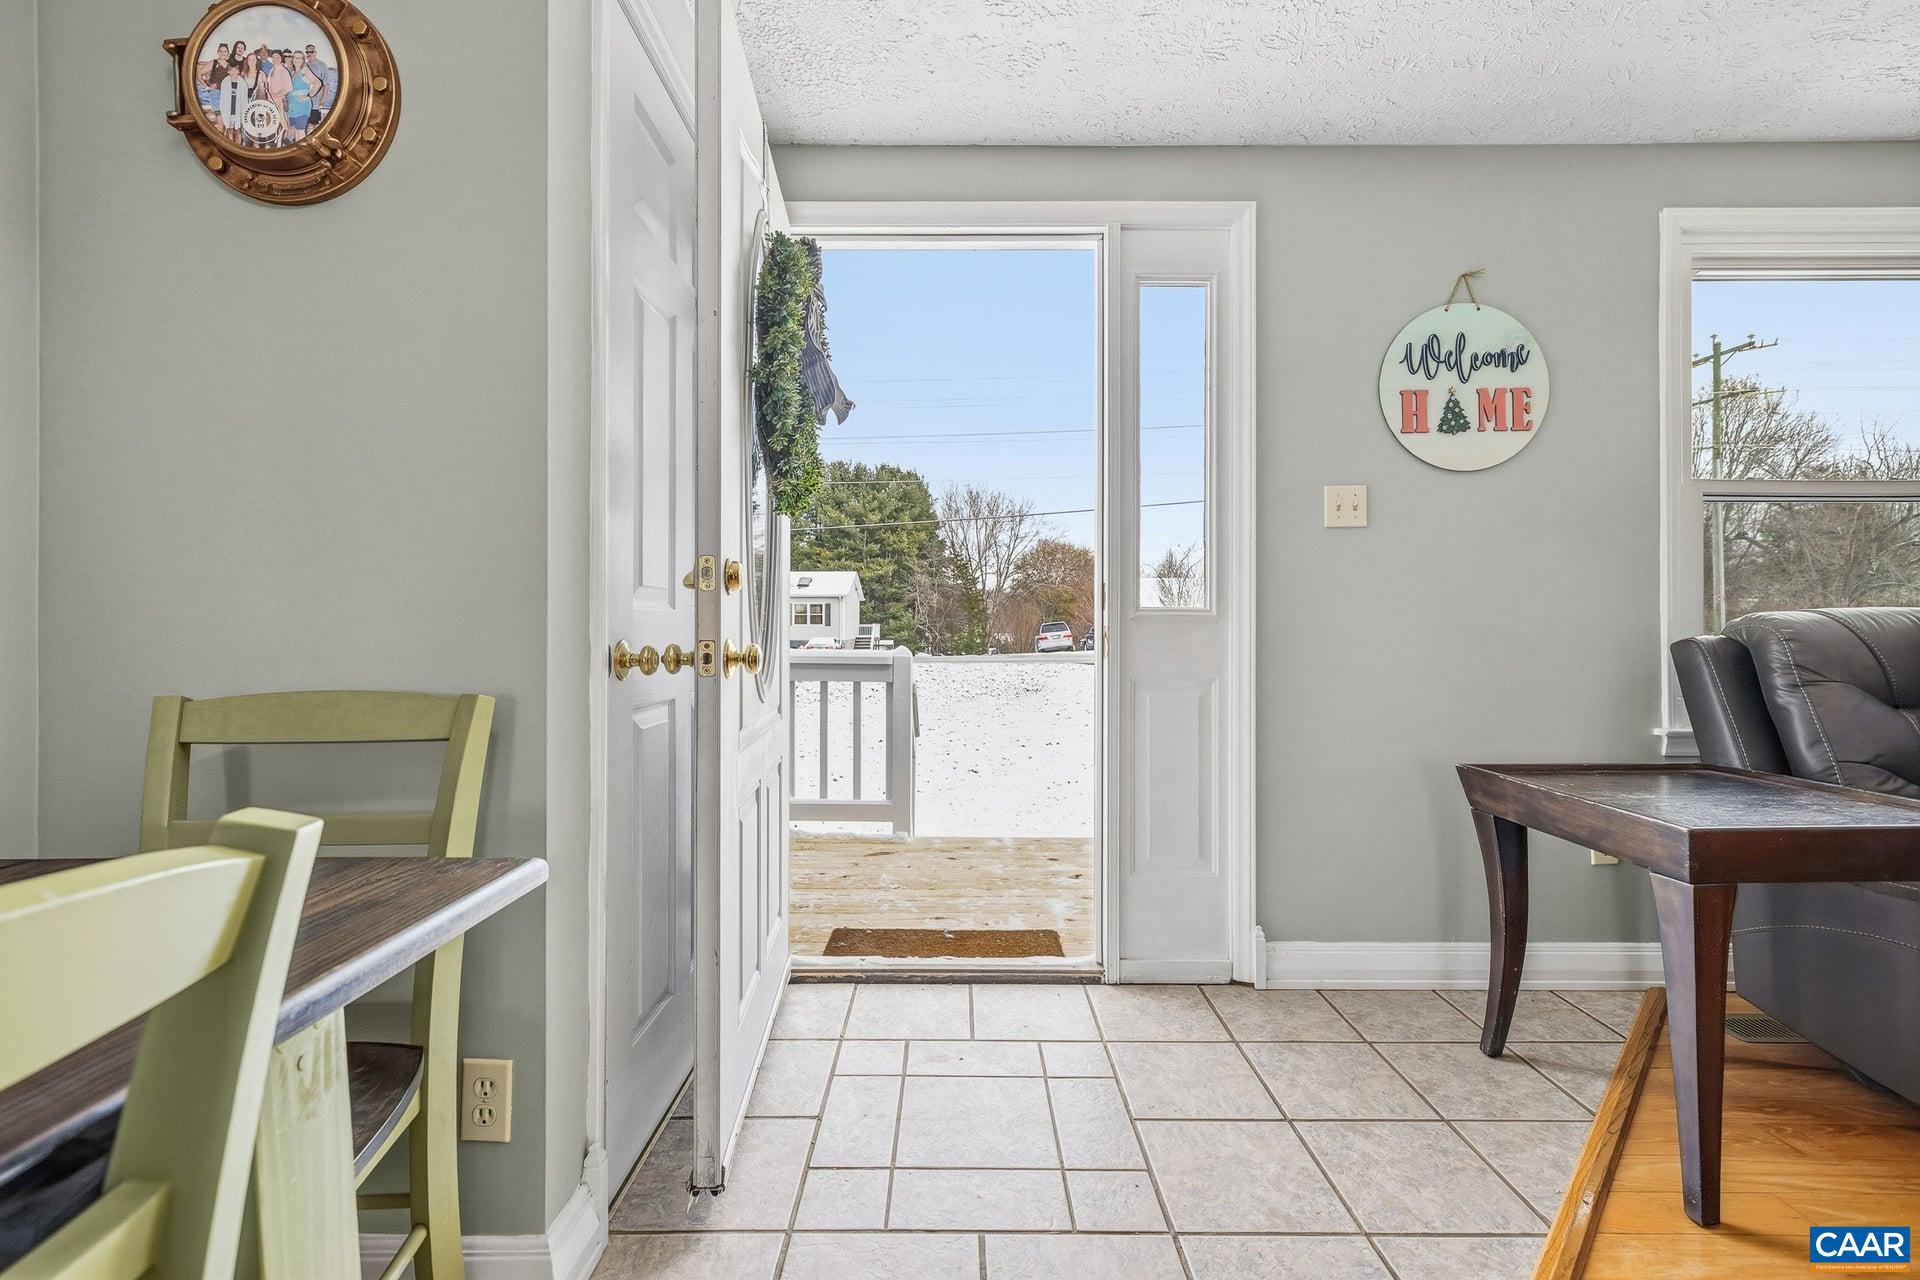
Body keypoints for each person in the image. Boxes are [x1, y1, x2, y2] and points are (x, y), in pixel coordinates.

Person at [286, 50, 320, 142]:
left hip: (301, 106)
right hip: (293, 107)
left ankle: (302, 151)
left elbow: (317, 83)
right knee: (296, 132)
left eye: (299, 58)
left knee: (300, 133)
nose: (296, 60)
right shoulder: (294, 72)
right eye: (295, 57)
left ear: (303, 60)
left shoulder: (304, 70)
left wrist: (309, 96)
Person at [304, 43, 337, 127]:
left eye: (311, 52)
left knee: (314, 125)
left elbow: (326, 84)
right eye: (307, 52)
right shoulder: (304, 65)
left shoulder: (322, 65)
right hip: (305, 102)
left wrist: (323, 99)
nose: (309, 54)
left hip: (316, 103)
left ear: (315, 53)